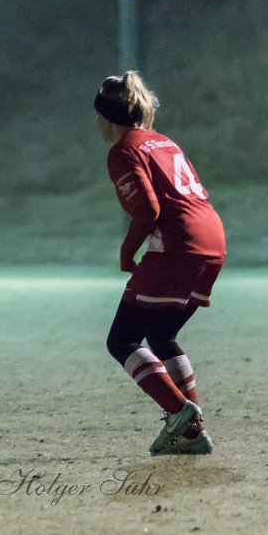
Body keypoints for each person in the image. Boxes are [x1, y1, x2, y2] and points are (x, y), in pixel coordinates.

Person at [96, 71, 226, 455]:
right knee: (162, 335)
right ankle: (193, 433)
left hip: (179, 245)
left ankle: (179, 413)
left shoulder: (123, 150)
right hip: (212, 239)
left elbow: (149, 208)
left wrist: (126, 250)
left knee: (122, 339)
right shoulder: (164, 142)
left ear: (106, 118)